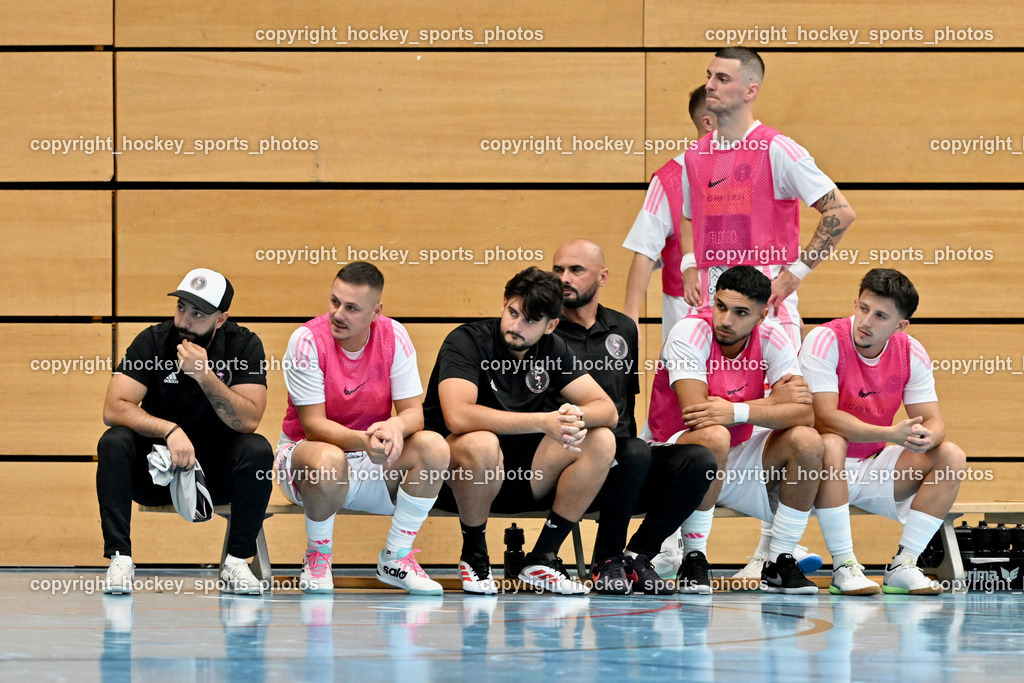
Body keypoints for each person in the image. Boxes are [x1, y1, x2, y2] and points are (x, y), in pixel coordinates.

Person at [623, 46, 856, 349]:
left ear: (750, 91)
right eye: (709, 77)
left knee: (778, 396)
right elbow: (689, 215)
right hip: (708, 309)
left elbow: (840, 212)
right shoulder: (694, 155)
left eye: (722, 78)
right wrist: (690, 262)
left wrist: (794, 274)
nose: (709, 85)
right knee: (696, 396)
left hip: (766, 308)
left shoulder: (778, 148)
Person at [423, 267, 618, 595]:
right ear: (503, 303)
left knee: (600, 439)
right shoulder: (467, 341)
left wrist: (573, 414)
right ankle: (474, 553)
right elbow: (457, 416)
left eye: (529, 320)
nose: (516, 325)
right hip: (459, 479)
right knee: (482, 443)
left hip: (524, 475)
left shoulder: (553, 349)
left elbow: (608, 410)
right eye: (512, 312)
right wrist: (543, 421)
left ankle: (542, 556)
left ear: (550, 325)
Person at [551, 239, 717, 595]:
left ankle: (637, 557)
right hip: (563, 460)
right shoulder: (546, 330)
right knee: (633, 451)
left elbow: (625, 404)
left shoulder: (624, 328)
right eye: (558, 270)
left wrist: (628, 458)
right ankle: (605, 561)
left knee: (699, 460)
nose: (564, 278)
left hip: (622, 462)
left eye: (576, 270)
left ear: (603, 276)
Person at [274, 262, 450, 595]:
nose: (338, 314)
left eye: (352, 308)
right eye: (334, 301)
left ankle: (396, 557)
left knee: (434, 447)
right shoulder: (306, 340)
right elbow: (312, 426)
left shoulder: (394, 335)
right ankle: (318, 555)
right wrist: (363, 440)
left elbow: (415, 414)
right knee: (328, 459)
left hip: (370, 460)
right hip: (308, 463)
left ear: (376, 311)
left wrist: (396, 426)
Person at [645, 266, 824, 594]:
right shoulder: (689, 332)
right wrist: (771, 403)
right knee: (715, 435)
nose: (726, 320)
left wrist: (735, 410)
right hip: (676, 456)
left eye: (741, 312)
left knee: (807, 440)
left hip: (736, 455)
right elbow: (698, 415)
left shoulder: (772, 336)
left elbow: (804, 414)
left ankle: (779, 558)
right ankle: (694, 557)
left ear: (762, 315)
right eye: (721, 306)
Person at [97, 267, 273, 594]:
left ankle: (236, 562)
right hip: (156, 472)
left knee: (258, 450)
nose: (184, 321)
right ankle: (120, 559)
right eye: (181, 308)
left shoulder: (244, 346)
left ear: (221, 319)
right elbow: (114, 408)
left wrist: (205, 376)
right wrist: (170, 430)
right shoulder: (153, 340)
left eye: (198, 314)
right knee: (114, 441)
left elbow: (249, 421)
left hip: (216, 475)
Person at [799, 269, 966, 595]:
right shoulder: (825, 339)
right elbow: (824, 418)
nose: (866, 321)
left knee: (951, 455)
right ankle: (844, 566)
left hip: (873, 467)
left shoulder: (910, 351)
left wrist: (927, 437)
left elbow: (935, 421)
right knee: (831, 442)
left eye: (879, 316)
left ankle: (904, 565)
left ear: (900, 326)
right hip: (813, 473)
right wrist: (891, 433)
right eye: (862, 308)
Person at [623, 85, 716, 344]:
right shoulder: (669, 178)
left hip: (744, 317)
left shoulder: (748, 172)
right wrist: (630, 319)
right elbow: (644, 250)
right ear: (708, 122)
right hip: (687, 317)